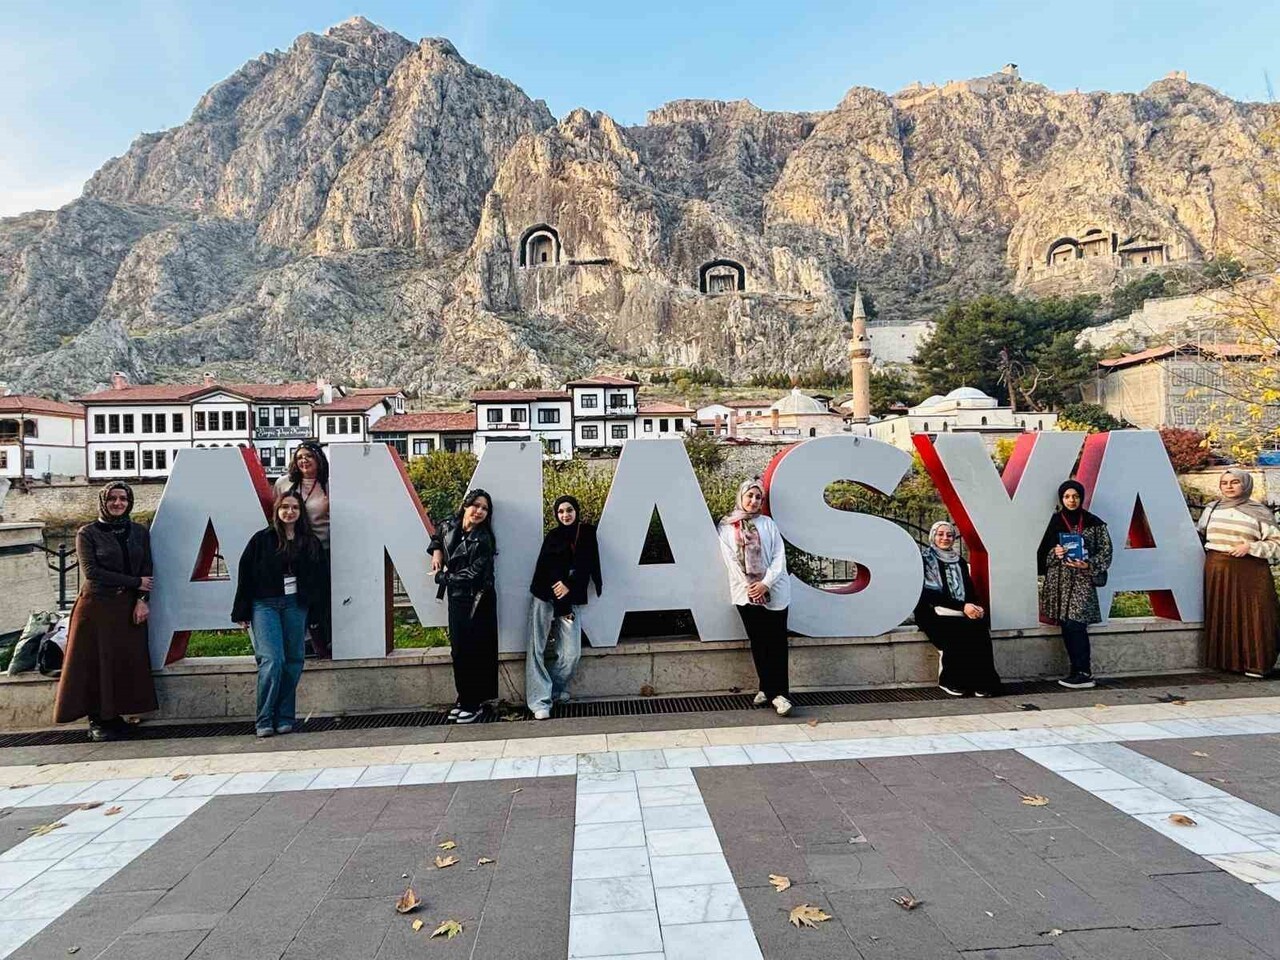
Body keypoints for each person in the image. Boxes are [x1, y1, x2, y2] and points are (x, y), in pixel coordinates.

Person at [54, 482, 159, 741]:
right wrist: (135, 583)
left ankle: (116, 717)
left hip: (127, 607)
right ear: (104, 501)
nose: (118, 503)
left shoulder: (138, 532)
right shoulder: (87, 533)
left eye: (123, 499)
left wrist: (142, 599)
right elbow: (92, 572)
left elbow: (147, 567)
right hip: (96, 608)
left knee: (122, 662)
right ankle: (97, 721)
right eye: (112, 498)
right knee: (95, 663)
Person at [232, 491, 326, 738]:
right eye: (284, 507)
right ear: (277, 510)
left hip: (296, 604)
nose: (289, 512)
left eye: (294, 507)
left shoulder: (310, 542)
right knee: (273, 660)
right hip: (265, 605)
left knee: (294, 660)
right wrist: (241, 610)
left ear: (300, 512)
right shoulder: (261, 540)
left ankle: (285, 717)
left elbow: (319, 580)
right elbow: (246, 575)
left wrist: (316, 612)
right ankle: (264, 718)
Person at [717, 478, 792, 716]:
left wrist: (765, 583)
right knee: (759, 642)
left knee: (777, 642)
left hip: (775, 591)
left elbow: (779, 556)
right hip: (746, 593)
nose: (754, 501)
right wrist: (751, 586)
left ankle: (780, 694)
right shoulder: (727, 527)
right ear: (741, 497)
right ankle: (766, 688)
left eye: (758, 497)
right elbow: (730, 561)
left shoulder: (768, 524)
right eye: (749, 496)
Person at [1198, 468, 1280, 678]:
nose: (1229, 486)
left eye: (1235, 482)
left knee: (1256, 614)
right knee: (1223, 612)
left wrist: (1250, 548)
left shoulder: (1259, 512)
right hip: (1218, 569)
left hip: (1251, 569)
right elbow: (1200, 537)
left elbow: (1276, 543)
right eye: (1225, 483)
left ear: (1245, 484)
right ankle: (1227, 662)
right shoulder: (1212, 510)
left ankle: (1256, 664)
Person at [527, 496, 603, 719]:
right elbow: (545, 568)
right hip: (544, 594)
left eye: (569, 510)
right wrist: (561, 591)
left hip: (569, 596)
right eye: (560, 512)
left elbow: (587, 565)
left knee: (571, 653)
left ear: (577, 511)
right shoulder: (553, 536)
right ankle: (539, 701)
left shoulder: (587, 534)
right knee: (536, 648)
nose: (565, 515)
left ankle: (553, 690)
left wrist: (568, 586)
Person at [1037, 479, 1113, 689]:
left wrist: (1087, 564)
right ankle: (1075, 670)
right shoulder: (1052, 522)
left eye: (1076, 496)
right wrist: (1056, 552)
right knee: (1066, 626)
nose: (1071, 500)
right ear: (1061, 499)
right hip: (1059, 582)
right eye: (1067, 496)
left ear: (1081, 498)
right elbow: (1040, 555)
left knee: (1076, 624)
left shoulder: (1094, 523)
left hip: (1082, 582)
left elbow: (1106, 553)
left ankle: (1083, 672)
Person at [430, 489, 498, 724]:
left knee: (474, 650)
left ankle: (474, 702)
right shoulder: (450, 524)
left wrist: (443, 578)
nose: (479, 511)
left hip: (477, 599)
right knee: (458, 650)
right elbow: (437, 535)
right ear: (465, 505)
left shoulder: (485, 539)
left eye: (485, 508)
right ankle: (464, 698)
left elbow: (472, 574)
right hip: (457, 598)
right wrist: (436, 551)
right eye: (476, 505)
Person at [913, 521, 1002, 697]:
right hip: (931, 611)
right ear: (933, 536)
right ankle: (950, 680)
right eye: (940, 534)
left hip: (958, 610)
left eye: (949, 535)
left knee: (978, 628)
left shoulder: (959, 560)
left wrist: (975, 607)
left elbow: (969, 590)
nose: (945, 538)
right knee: (956, 631)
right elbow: (929, 594)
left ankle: (982, 683)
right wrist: (963, 606)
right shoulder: (925, 560)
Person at [275, 441, 331, 658]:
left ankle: (323, 640)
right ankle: (305, 641)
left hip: (324, 550)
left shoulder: (330, 484)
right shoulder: (283, 484)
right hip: (296, 550)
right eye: (299, 457)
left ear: (318, 458)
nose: (304, 460)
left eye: (308, 456)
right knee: (297, 596)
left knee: (321, 597)